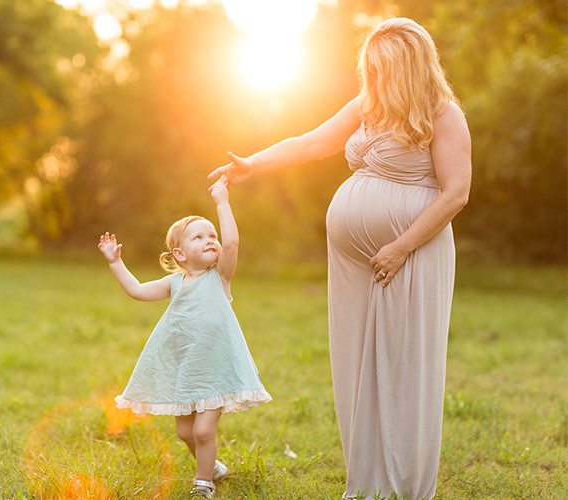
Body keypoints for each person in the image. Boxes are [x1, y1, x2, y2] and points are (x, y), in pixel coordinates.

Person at [209, 17, 471, 500]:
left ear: (409, 66)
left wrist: (399, 246)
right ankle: (368, 478)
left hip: (410, 255)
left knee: (403, 362)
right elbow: (310, 144)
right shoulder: (367, 106)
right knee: (355, 360)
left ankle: (405, 484)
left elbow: (455, 194)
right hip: (356, 262)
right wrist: (254, 163)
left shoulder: (443, 114)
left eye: (382, 69)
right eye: (369, 68)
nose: (373, 78)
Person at [98, 179, 272, 499]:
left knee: (204, 430)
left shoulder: (219, 277)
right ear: (179, 253)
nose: (210, 240)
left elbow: (231, 245)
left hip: (216, 368)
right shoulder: (174, 283)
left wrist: (222, 202)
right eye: (199, 237)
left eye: (212, 236)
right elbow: (137, 291)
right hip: (185, 369)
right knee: (185, 432)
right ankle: (214, 466)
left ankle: (203, 482)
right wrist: (115, 261)